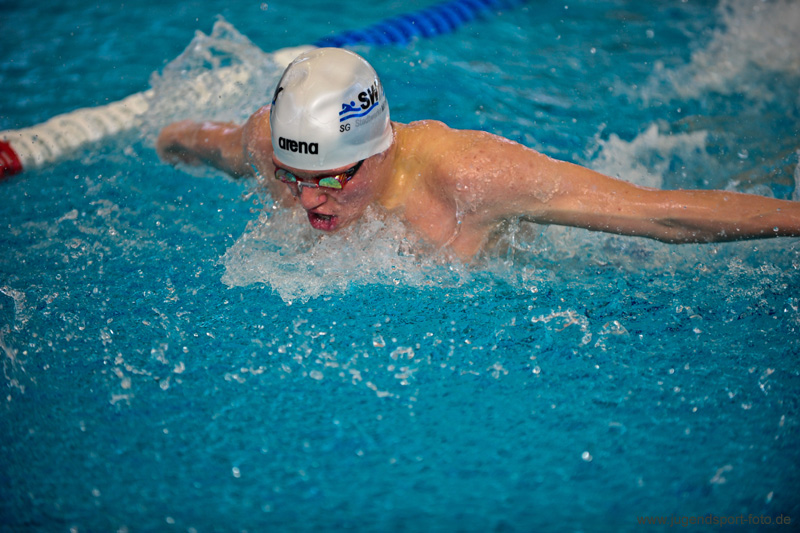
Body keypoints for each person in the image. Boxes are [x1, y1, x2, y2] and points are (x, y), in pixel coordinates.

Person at [157, 48, 800, 260]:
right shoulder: (270, 142)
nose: (305, 200)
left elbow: (658, 215)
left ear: (378, 151)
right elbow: (211, 144)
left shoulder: (468, 178)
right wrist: (166, 138)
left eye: (328, 179)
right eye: (291, 176)